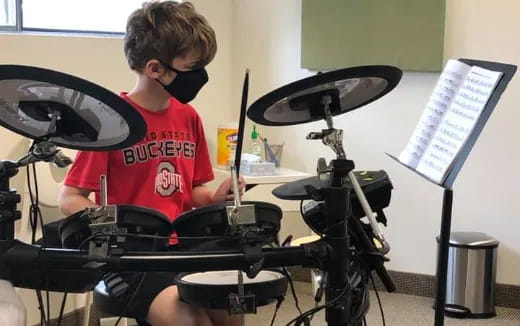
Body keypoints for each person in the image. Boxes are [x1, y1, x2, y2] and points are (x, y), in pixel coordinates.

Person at [59, 1, 244, 325]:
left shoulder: (188, 117)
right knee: (190, 320)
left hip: (185, 247)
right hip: (133, 257)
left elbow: (191, 191)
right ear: (155, 69)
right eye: (193, 67)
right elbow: (69, 199)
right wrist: (115, 225)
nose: (201, 75)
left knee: (231, 309)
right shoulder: (111, 121)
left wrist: (215, 198)